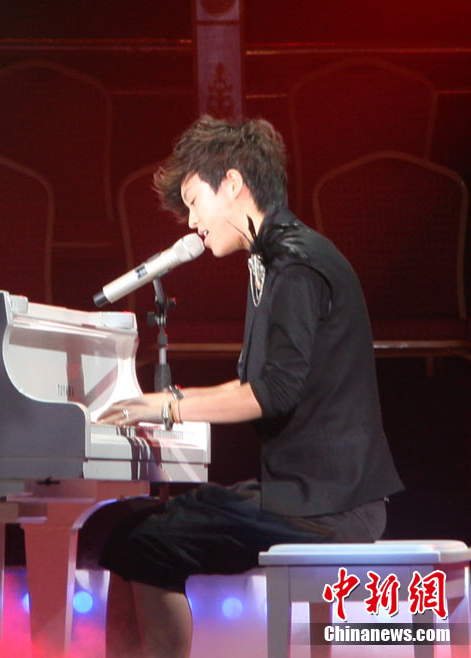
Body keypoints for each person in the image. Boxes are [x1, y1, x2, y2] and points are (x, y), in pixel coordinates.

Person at [94, 115, 404, 658]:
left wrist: (169, 407)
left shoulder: (296, 264)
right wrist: (164, 406)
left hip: (330, 505)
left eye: (195, 202)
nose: (192, 221)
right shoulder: (272, 258)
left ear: (233, 183)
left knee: (148, 543)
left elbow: (272, 393)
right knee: (122, 531)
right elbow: (258, 385)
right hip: (306, 493)